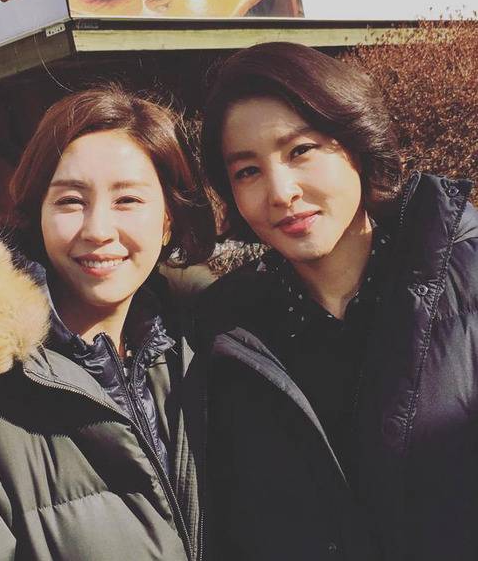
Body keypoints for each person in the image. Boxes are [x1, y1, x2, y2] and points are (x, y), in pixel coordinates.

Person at [198, 41, 478, 561]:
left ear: (356, 143)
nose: (280, 191)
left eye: (300, 150)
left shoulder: (467, 278)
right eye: (247, 171)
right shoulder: (220, 333)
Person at [0, 86, 215, 560]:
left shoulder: (206, 348)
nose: (97, 230)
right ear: (37, 214)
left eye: (128, 200)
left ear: (167, 221)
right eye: (70, 201)